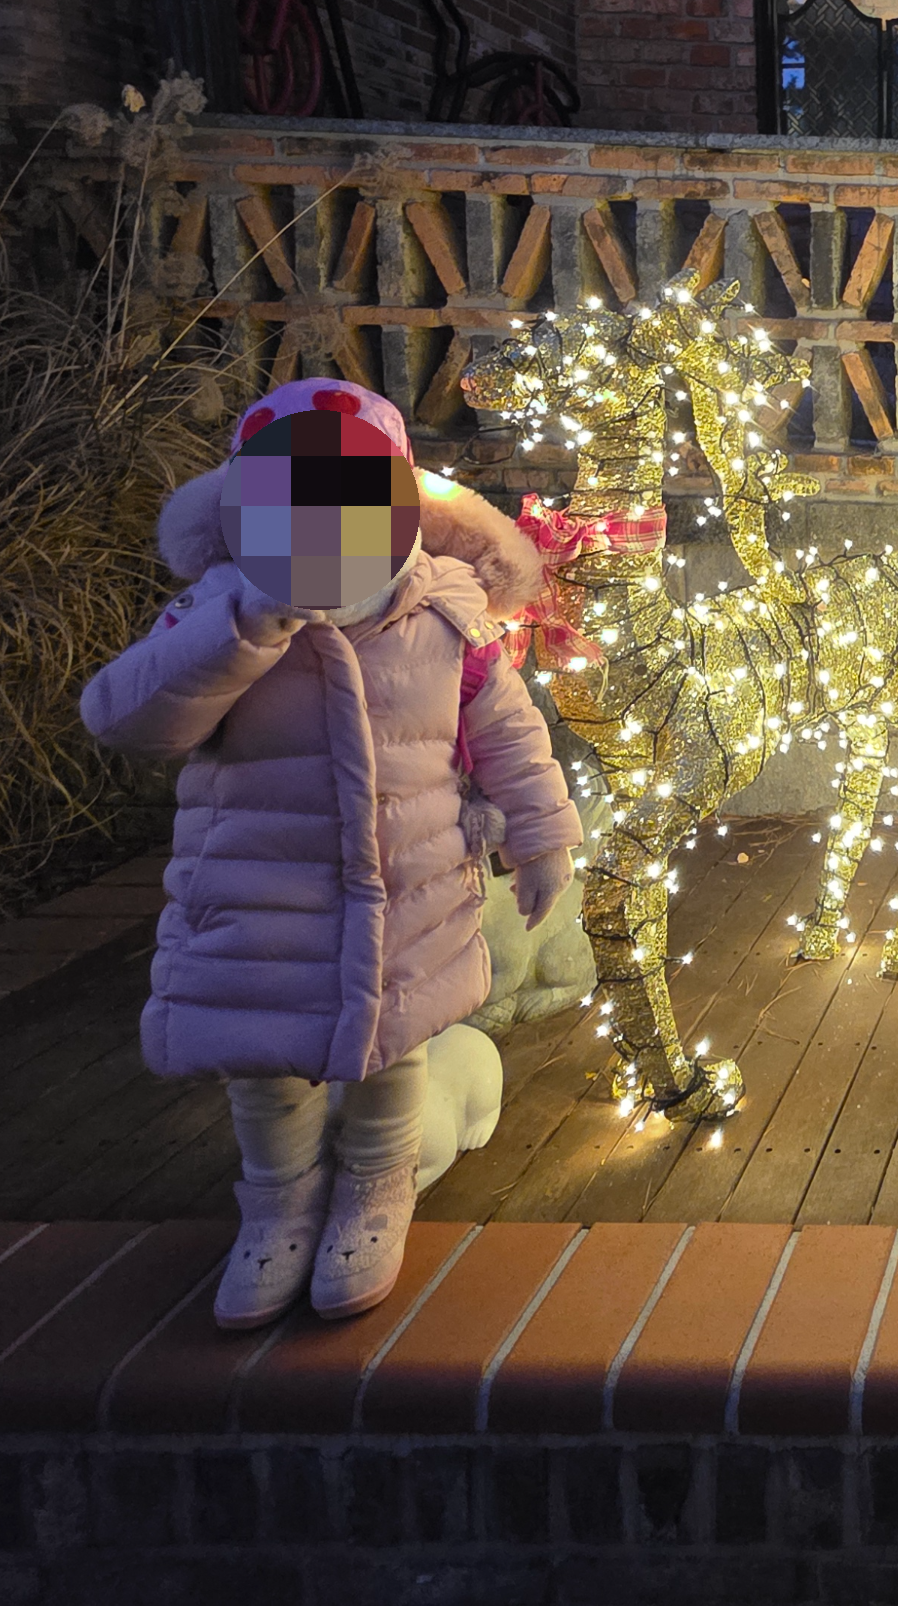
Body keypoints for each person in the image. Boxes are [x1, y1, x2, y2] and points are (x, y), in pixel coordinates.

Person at [82, 379, 578, 1326]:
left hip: (407, 881)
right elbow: (131, 718)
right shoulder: (214, 610)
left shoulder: (444, 614)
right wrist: (246, 627)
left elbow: (508, 729)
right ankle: (275, 1205)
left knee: (392, 1045)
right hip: (257, 885)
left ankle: (377, 1190)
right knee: (262, 1063)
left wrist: (543, 830)